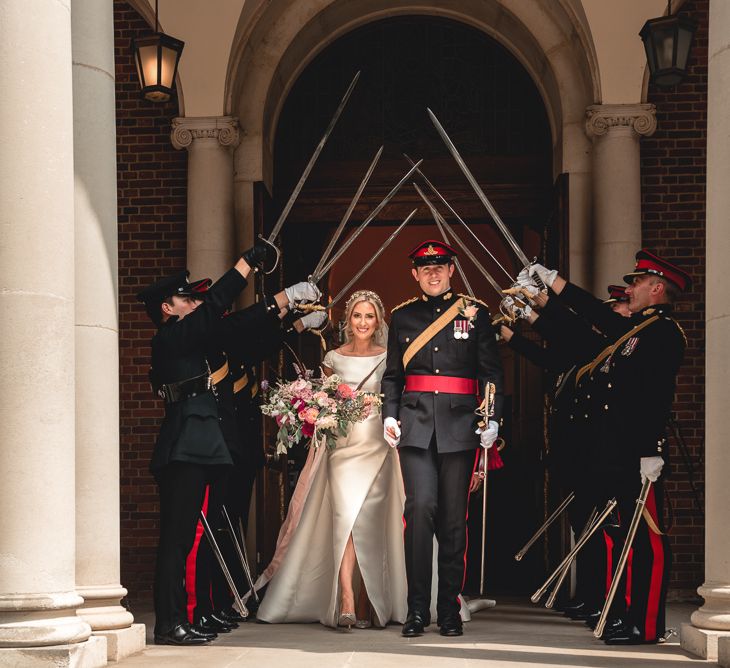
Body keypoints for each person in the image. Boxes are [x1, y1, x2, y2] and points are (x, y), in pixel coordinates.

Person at [525, 249, 690, 644]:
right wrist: (551, 285)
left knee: (644, 539)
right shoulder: (634, 332)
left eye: (636, 283)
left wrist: (651, 450)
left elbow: (655, 396)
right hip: (617, 453)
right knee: (624, 538)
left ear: (657, 287)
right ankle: (629, 614)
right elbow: (590, 322)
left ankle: (645, 624)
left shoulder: (664, 333)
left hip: (639, 454)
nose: (629, 289)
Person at [135, 242, 269, 645]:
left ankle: (183, 618)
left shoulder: (188, 338)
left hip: (198, 444)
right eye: (184, 298)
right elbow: (214, 307)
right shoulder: (171, 338)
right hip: (184, 448)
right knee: (178, 539)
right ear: (167, 308)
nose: (193, 303)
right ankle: (169, 623)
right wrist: (244, 264)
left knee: (189, 535)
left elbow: (227, 323)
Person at [253, 290, 408, 629]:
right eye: (357, 316)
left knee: (368, 520)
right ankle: (347, 600)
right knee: (345, 519)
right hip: (341, 448)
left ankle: (372, 602)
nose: (363, 322)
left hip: (377, 448)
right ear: (348, 321)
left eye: (369, 316)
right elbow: (323, 398)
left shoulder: (389, 358)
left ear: (378, 321)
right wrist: (313, 410)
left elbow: (397, 397)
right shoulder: (333, 358)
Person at [182, 280, 324, 633]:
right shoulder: (202, 336)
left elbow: (256, 344)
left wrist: (295, 325)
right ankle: (209, 602)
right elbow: (247, 332)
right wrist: (284, 305)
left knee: (231, 526)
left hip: (237, 450)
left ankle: (227, 597)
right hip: (214, 447)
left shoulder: (226, 342)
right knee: (214, 527)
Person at [381, 240, 504, 638]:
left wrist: (492, 420)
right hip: (415, 426)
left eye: (440, 266)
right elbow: (393, 376)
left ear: (452, 269)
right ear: (415, 274)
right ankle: (416, 610)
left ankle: (448, 609)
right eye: (425, 267)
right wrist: (389, 415)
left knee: (453, 520)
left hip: (461, 426)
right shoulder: (402, 318)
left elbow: (490, 373)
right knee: (419, 512)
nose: (433, 273)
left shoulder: (476, 312)